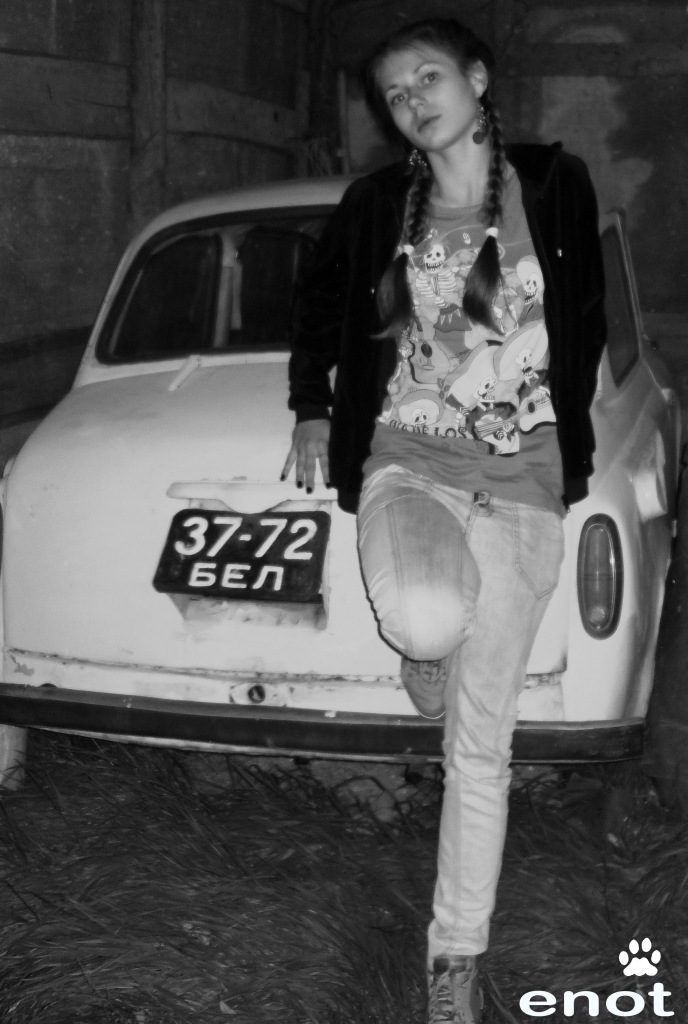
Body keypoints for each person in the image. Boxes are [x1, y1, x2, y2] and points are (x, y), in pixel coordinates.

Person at [281, 17, 606, 1024]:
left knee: (481, 744)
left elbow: (585, 316)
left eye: (428, 77)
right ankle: (425, 654)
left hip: (524, 483)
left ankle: (454, 958)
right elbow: (319, 302)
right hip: (410, 464)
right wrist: (311, 402)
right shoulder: (378, 203)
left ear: (477, 79)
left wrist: (566, 433)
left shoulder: (554, 183)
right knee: (426, 624)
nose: (411, 100)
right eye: (395, 92)